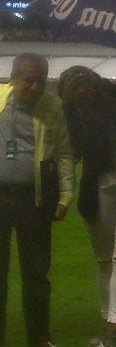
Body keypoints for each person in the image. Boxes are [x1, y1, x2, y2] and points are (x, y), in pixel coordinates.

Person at [58, 66, 116, 347]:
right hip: (99, 190)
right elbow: (78, 148)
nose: (83, 90)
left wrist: (105, 85)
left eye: (85, 82)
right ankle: (108, 319)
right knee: (104, 260)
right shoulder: (72, 114)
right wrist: (68, 103)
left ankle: (113, 329)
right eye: (74, 86)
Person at [0, 53, 73, 347]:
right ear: (14, 78)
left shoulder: (53, 106)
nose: (35, 86)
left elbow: (65, 152)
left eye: (41, 81)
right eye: (29, 80)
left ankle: (40, 339)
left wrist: (67, 194)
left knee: (36, 275)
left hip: (35, 200)